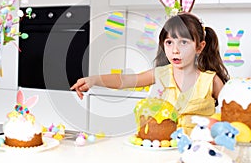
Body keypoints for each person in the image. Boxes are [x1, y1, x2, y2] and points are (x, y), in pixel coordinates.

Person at [70, 12, 229, 134]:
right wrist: (94, 80)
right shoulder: (160, 74)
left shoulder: (211, 80)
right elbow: (125, 80)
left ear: (199, 47)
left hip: (201, 152)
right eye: (169, 42)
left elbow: (232, 113)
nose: (175, 50)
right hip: (163, 148)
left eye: (184, 42)